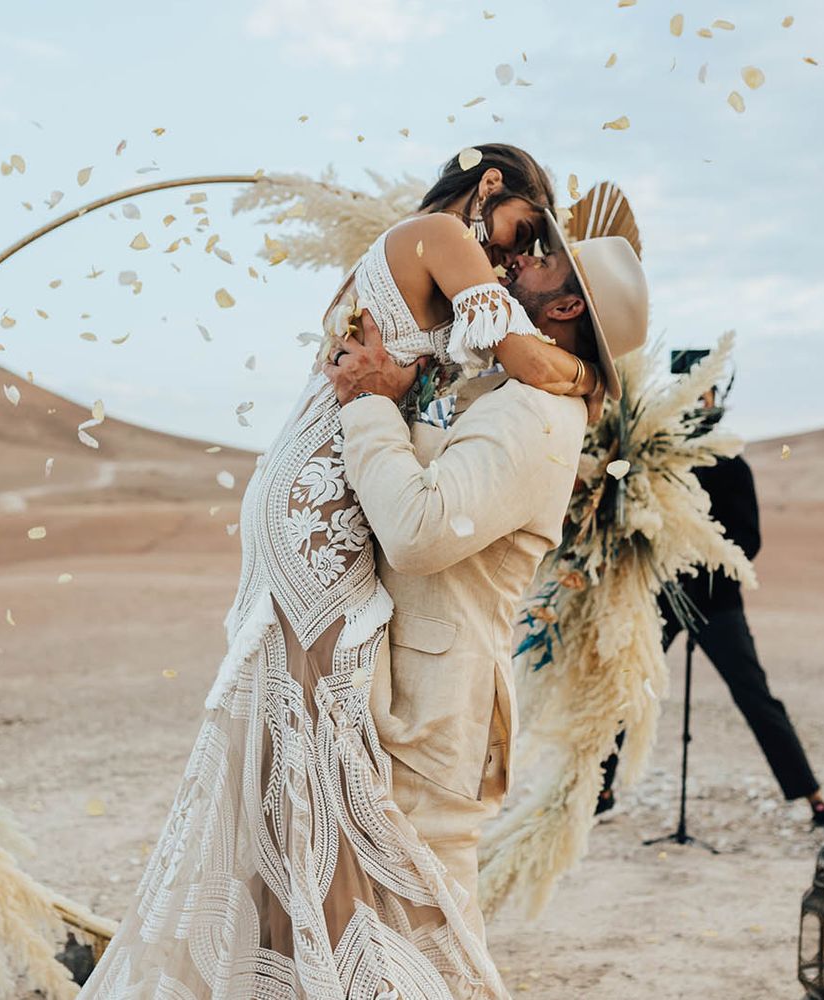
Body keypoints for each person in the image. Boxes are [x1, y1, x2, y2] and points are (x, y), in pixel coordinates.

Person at [76, 143, 616, 1000]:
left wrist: (572, 370)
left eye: (532, 248)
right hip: (322, 488)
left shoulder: (432, 260)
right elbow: (524, 358)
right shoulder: (442, 238)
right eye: (525, 230)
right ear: (488, 187)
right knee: (317, 734)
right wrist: (590, 373)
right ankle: (310, 933)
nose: (517, 254)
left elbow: (463, 409)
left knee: (318, 742)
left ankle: (294, 938)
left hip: (313, 480)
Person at [323, 222, 648, 949]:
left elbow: (417, 530)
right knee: (383, 931)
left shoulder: (535, 416)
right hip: (414, 694)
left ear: (565, 309)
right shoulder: (509, 391)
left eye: (543, 260)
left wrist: (369, 407)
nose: (518, 261)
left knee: (432, 935)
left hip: (436, 710)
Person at [595, 361, 824, 833]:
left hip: (718, 605)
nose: (696, 407)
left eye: (703, 397)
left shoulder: (731, 465)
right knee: (627, 691)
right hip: (664, 597)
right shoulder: (659, 465)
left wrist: (699, 555)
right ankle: (599, 790)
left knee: (754, 695)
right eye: (689, 397)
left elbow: (748, 542)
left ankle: (813, 798)